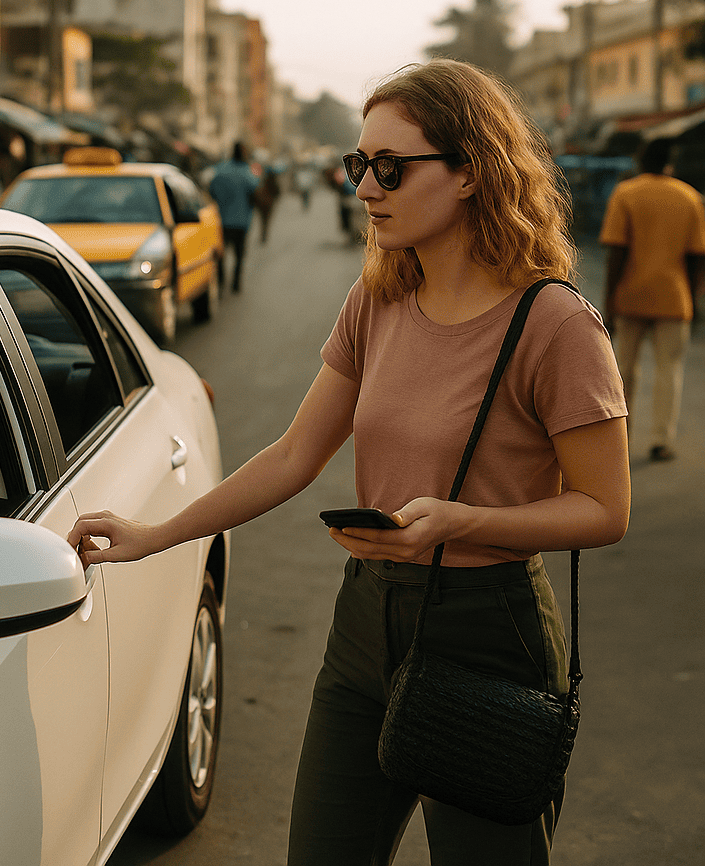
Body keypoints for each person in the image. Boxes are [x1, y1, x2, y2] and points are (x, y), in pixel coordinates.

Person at [69, 60, 630, 866]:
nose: (366, 187)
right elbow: (297, 453)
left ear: (471, 173)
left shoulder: (554, 324)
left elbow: (605, 509)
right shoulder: (376, 300)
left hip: (487, 626)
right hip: (366, 619)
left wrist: (462, 520)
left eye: (391, 168)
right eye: (357, 164)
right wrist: (157, 535)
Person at [599, 137, 705, 462]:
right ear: (669, 164)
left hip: (631, 295)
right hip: (674, 298)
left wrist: (609, 303)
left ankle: (620, 439)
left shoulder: (626, 193)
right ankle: (661, 440)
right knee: (669, 370)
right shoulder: (689, 197)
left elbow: (616, 251)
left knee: (624, 370)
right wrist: (694, 297)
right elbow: (697, 256)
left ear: (641, 161)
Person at [209, 140, 259, 292]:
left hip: (222, 220)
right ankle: (236, 284)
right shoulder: (246, 172)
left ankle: (221, 282)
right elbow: (255, 189)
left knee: (221, 254)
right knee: (239, 255)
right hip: (241, 221)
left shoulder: (221, 169)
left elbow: (211, 189)